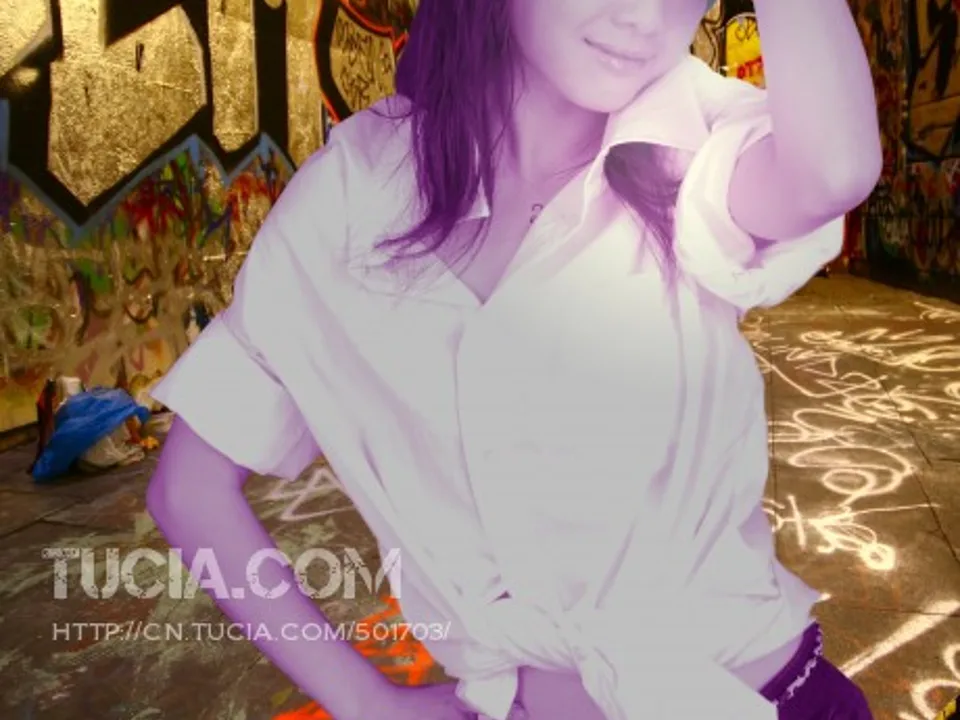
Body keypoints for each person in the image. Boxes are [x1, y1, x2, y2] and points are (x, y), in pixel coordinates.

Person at [146, 0, 882, 718]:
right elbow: (189, 491)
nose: (645, 18)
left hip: (770, 697)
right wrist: (366, 700)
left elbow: (832, 174)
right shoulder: (353, 195)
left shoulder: (690, 145)